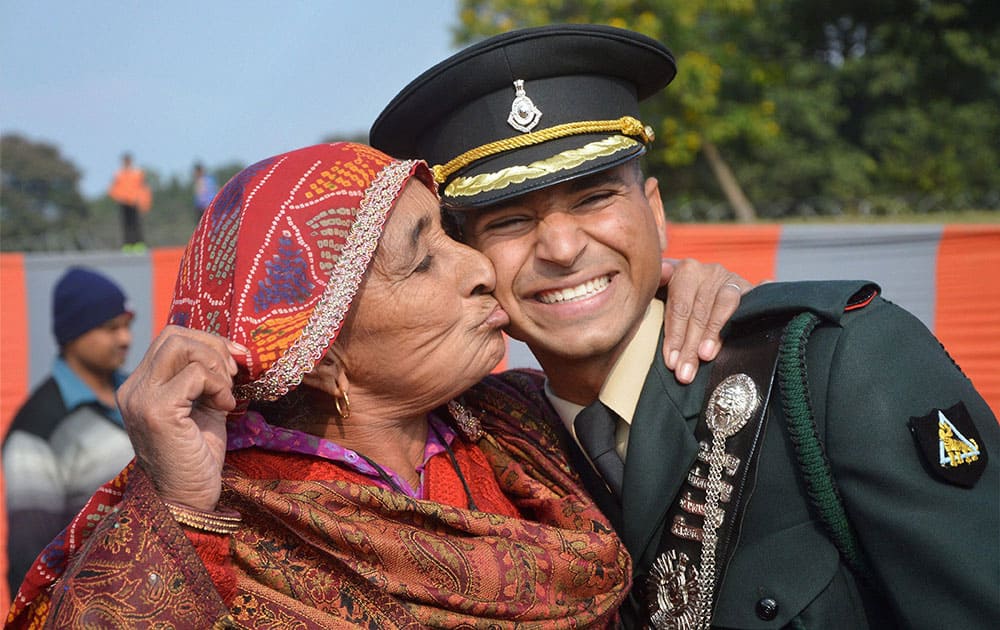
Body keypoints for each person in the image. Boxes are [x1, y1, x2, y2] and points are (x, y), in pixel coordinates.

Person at [369, 24, 1000, 629]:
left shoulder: (833, 368)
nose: (560, 247)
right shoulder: (491, 450)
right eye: (508, 221)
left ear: (656, 214)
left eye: (594, 197)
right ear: (470, 259)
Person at [9, 142, 741, 627]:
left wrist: (688, 306)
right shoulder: (219, 528)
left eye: (452, 236)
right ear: (320, 355)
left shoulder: (515, 425)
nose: (482, 268)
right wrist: (178, 510)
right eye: (423, 261)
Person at [2, 266, 135, 596]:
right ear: (73, 334)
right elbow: (31, 561)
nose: (125, 339)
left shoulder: (137, 393)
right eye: (110, 328)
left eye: (126, 326)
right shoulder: (36, 431)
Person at [107, 152, 152, 252]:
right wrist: (119, 197)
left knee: (136, 224)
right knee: (126, 224)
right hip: (123, 202)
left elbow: (144, 188)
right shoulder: (119, 174)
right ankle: (128, 244)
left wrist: (145, 202)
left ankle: (139, 244)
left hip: (135, 202)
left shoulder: (137, 173)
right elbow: (112, 189)